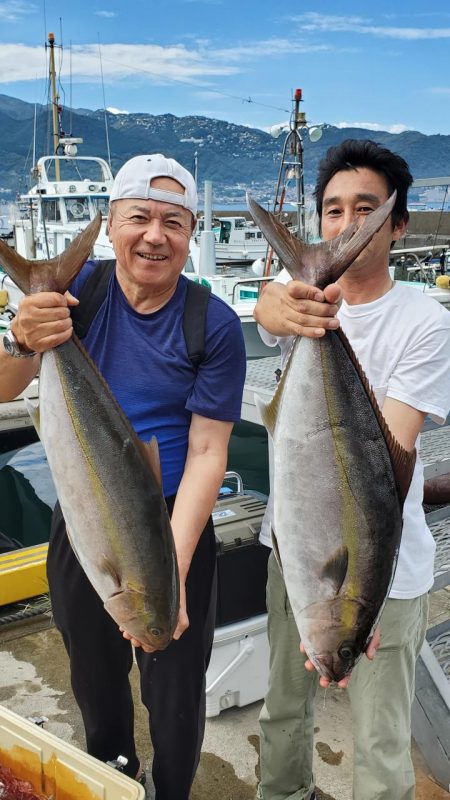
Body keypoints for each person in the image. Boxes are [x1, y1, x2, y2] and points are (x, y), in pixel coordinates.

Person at [0, 154, 246, 800]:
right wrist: (23, 338)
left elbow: (207, 453)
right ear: (110, 225)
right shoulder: (76, 292)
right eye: (139, 217)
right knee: (93, 673)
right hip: (84, 514)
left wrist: (169, 573)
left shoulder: (213, 323)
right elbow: (4, 389)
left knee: (176, 688)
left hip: (174, 518)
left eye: (174, 222)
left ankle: (172, 790)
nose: (155, 236)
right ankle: (113, 774)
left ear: (191, 234)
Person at [253, 139, 450, 800]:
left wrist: (353, 611)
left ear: (398, 224)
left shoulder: (426, 322)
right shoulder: (298, 299)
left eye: (367, 210)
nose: (347, 224)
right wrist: (276, 304)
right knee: (282, 712)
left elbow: (383, 462)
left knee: (381, 740)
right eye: (334, 211)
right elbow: (267, 306)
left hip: (380, 571)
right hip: (292, 556)